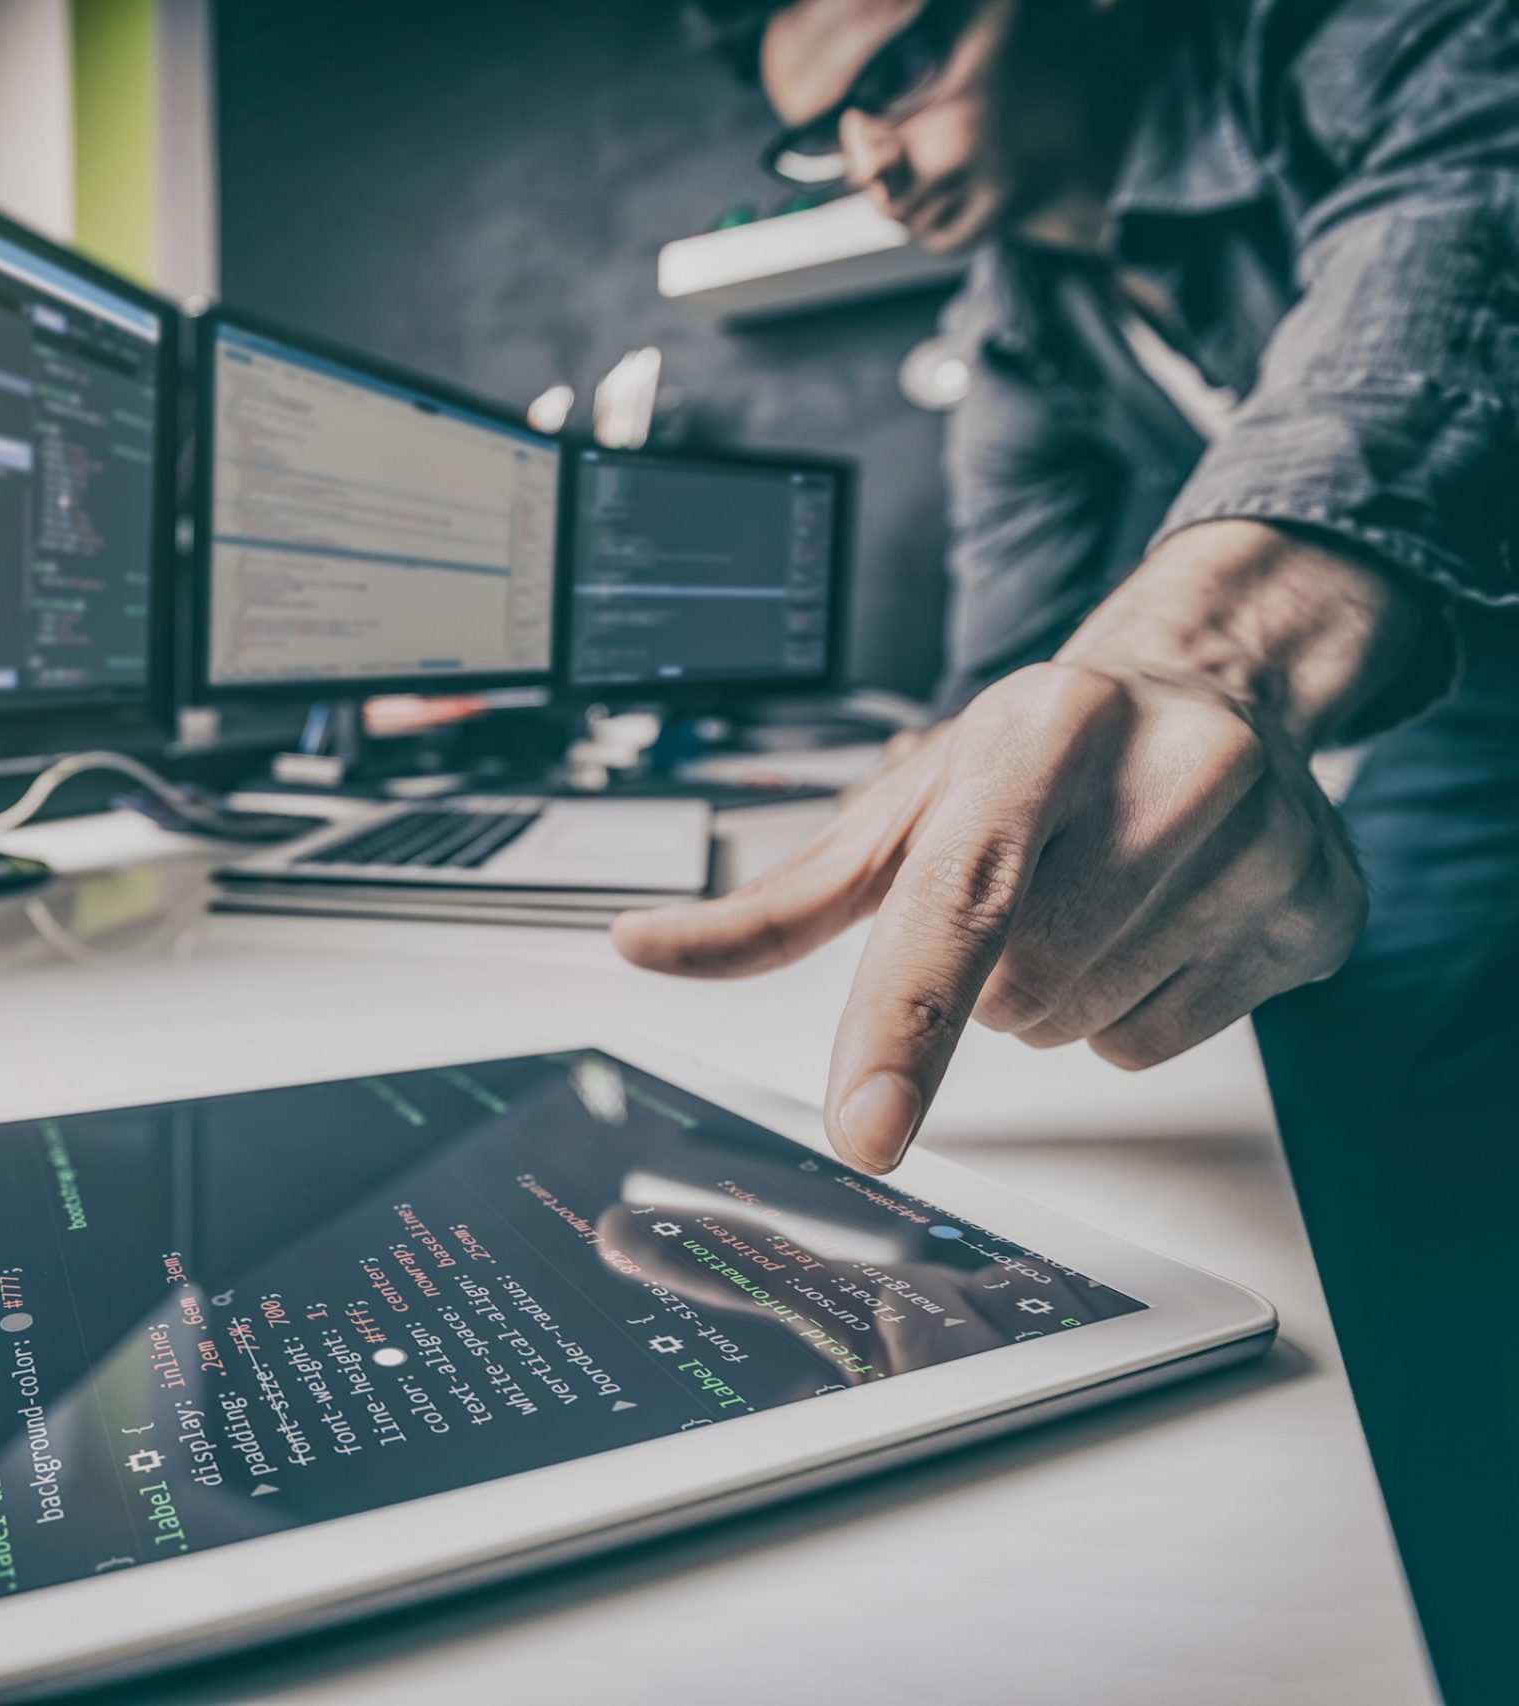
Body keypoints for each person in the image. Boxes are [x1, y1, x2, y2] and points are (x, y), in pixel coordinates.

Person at [626, 3, 1517, 1696]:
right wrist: (931, 774)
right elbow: (1002, 666)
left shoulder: (1349, 39)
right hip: (1412, 711)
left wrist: (1199, 654)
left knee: (1380, 1038)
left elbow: (1457, 242)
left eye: (895, 74)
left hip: (1471, 688)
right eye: (825, 131)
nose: (872, 150)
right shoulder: (1023, 317)